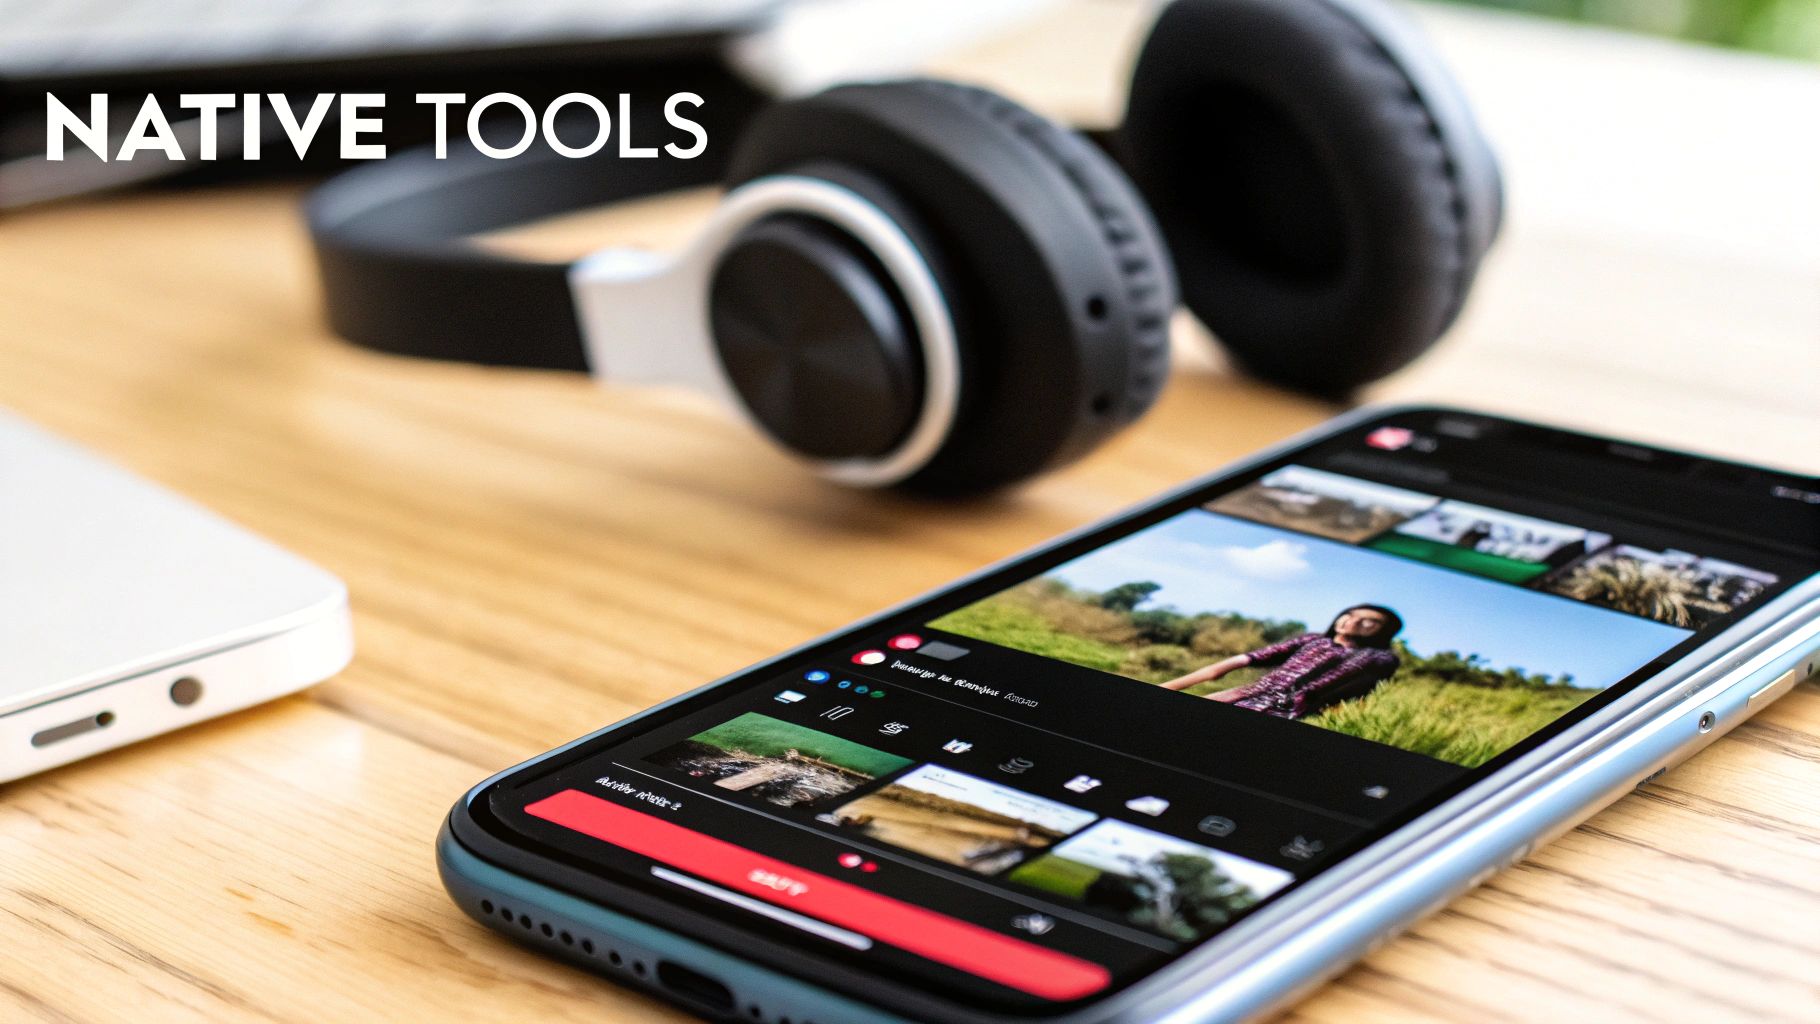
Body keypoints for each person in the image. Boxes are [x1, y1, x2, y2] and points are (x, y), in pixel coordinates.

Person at [1161, 605, 1404, 719]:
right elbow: (1231, 664)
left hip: (1295, 713)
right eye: (1350, 614)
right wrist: (1166, 688)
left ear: (1383, 631)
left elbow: (1360, 696)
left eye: (1369, 621)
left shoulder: (1379, 658)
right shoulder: (1313, 640)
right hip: (1243, 696)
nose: (1353, 621)